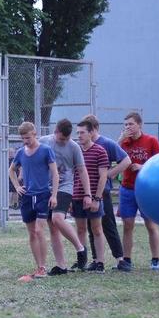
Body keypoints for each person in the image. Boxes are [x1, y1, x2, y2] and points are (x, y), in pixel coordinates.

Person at [9, 122, 59, 282]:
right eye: (23, 138)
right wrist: (17, 186)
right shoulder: (20, 153)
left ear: (35, 133)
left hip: (43, 195)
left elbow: (55, 174)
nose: (26, 141)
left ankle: (43, 267)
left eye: (28, 137)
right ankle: (38, 266)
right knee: (31, 233)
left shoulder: (46, 150)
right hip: (27, 197)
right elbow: (11, 170)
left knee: (39, 230)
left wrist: (54, 195)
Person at [40, 119, 90, 275]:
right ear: (55, 132)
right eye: (61, 139)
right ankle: (61, 266)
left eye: (67, 139)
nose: (64, 142)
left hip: (65, 187)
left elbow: (82, 171)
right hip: (46, 188)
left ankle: (80, 249)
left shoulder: (74, 147)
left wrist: (88, 194)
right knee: (53, 228)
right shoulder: (44, 142)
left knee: (57, 218)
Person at [82, 115, 130, 269]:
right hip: (87, 192)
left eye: (88, 131)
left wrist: (110, 173)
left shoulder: (106, 143)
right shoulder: (83, 146)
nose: (83, 135)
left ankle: (120, 259)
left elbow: (126, 160)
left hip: (103, 191)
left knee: (108, 224)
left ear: (94, 129)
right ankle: (97, 260)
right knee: (92, 226)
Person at [117, 112, 159, 271]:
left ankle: (155, 259)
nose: (128, 127)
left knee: (150, 224)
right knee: (127, 224)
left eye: (130, 124)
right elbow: (111, 155)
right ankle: (127, 259)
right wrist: (120, 139)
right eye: (126, 125)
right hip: (127, 188)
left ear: (139, 125)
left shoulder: (151, 141)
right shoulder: (124, 143)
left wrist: (143, 167)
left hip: (146, 190)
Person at [73, 119, 110, 273]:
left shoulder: (100, 151)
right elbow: (72, 174)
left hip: (94, 197)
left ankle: (99, 262)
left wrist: (97, 198)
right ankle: (82, 260)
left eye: (82, 132)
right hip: (76, 197)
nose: (79, 136)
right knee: (80, 229)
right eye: (77, 133)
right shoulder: (75, 151)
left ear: (91, 133)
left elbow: (103, 176)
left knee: (97, 229)